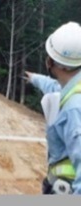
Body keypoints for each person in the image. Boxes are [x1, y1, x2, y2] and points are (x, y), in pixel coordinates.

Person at [25, 21, 81, 194]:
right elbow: (55, 87)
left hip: (68, 188)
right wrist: (34, 78)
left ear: (54, 63)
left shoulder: (74, 108)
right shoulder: (73, 87)